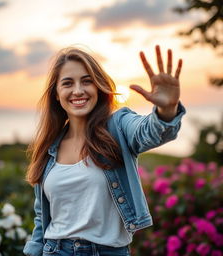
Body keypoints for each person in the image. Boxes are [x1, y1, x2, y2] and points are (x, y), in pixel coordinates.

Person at [23, 45, 186, 256]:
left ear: (99, 87)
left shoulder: (119, 126)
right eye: (67, 83)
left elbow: (150, 132)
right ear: (56, 94)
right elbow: (42, 215)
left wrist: (167, 110)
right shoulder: (49, 146)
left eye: (87, 81)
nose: (78, 90)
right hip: (55, 251)